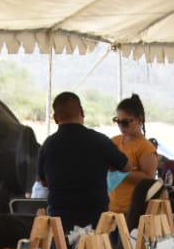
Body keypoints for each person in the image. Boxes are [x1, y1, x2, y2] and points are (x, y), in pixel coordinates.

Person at [36, 91, 128, 231]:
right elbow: (126, 166)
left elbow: (44, 181)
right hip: (96, 222)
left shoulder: (47, 145)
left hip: (60, 224)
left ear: (55, 118)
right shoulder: (100, 140)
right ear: (82, 112)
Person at [109, 94, 159, 217]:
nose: (121, 126)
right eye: (118, 121)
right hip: (111, 209)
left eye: (126, 122)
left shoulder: (146, 148)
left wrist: (122, 172)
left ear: (140, 120)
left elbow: (149, 179)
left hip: (132, 211)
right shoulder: (114, 141)